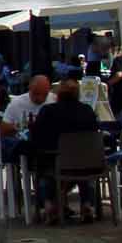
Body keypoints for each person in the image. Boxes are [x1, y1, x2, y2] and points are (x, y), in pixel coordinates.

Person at [27, 79, 103, 222]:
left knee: (42, 170)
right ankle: (87, 203)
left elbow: (36, 139)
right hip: (88, 164)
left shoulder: (48, 111)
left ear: (58, 95)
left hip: (58, 164)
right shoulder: (87, 111)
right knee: (86, 171)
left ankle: (49, 204)